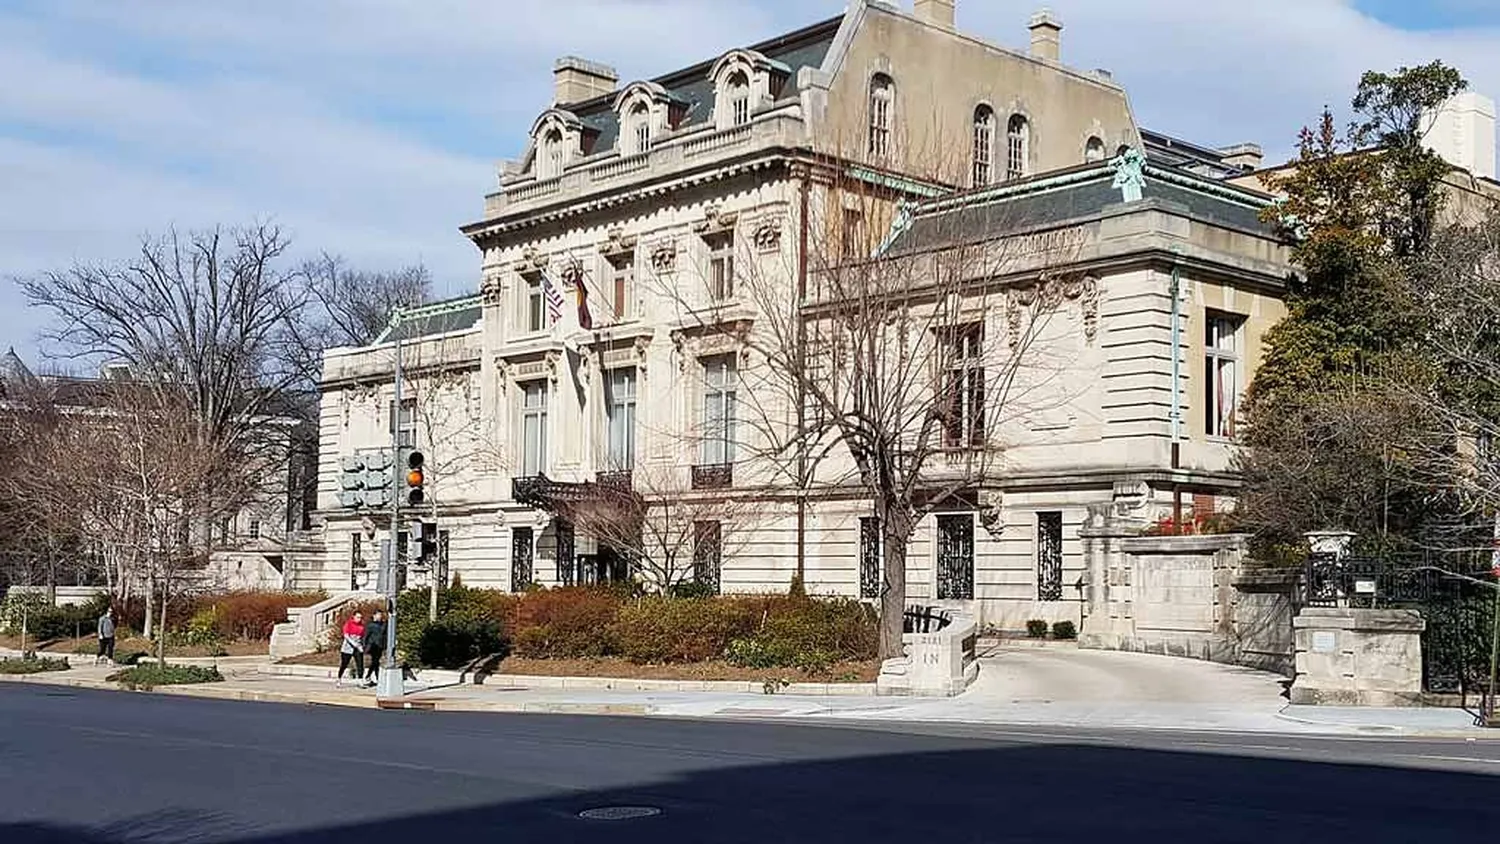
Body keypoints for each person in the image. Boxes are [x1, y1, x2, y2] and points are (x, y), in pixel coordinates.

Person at [336, 612, 365, 687]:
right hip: (347, 648)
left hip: (357, 647)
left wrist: (361, 646)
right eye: (358, 617)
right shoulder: (348, 624)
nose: (359, 619)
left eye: (360, 617)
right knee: (344, 664)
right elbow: (346, 636)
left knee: (360, 664)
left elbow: (361, 637)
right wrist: (354, 644)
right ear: (354, 617)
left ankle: (360, 680)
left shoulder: (361, 626)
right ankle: (339, 678)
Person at [362, 610, 388, 688]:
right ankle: (373, 676)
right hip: (372, 645)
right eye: (378, 615)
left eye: (380, 615)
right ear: (374, 616)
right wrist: (364, 645)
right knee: (375, 661)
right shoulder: (370, 625)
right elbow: (366, 635)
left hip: (380, 645)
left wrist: (385, 645)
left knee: (376, 661)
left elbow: (385, 635)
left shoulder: (383, 624)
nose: (379, 616)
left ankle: (370, 676)